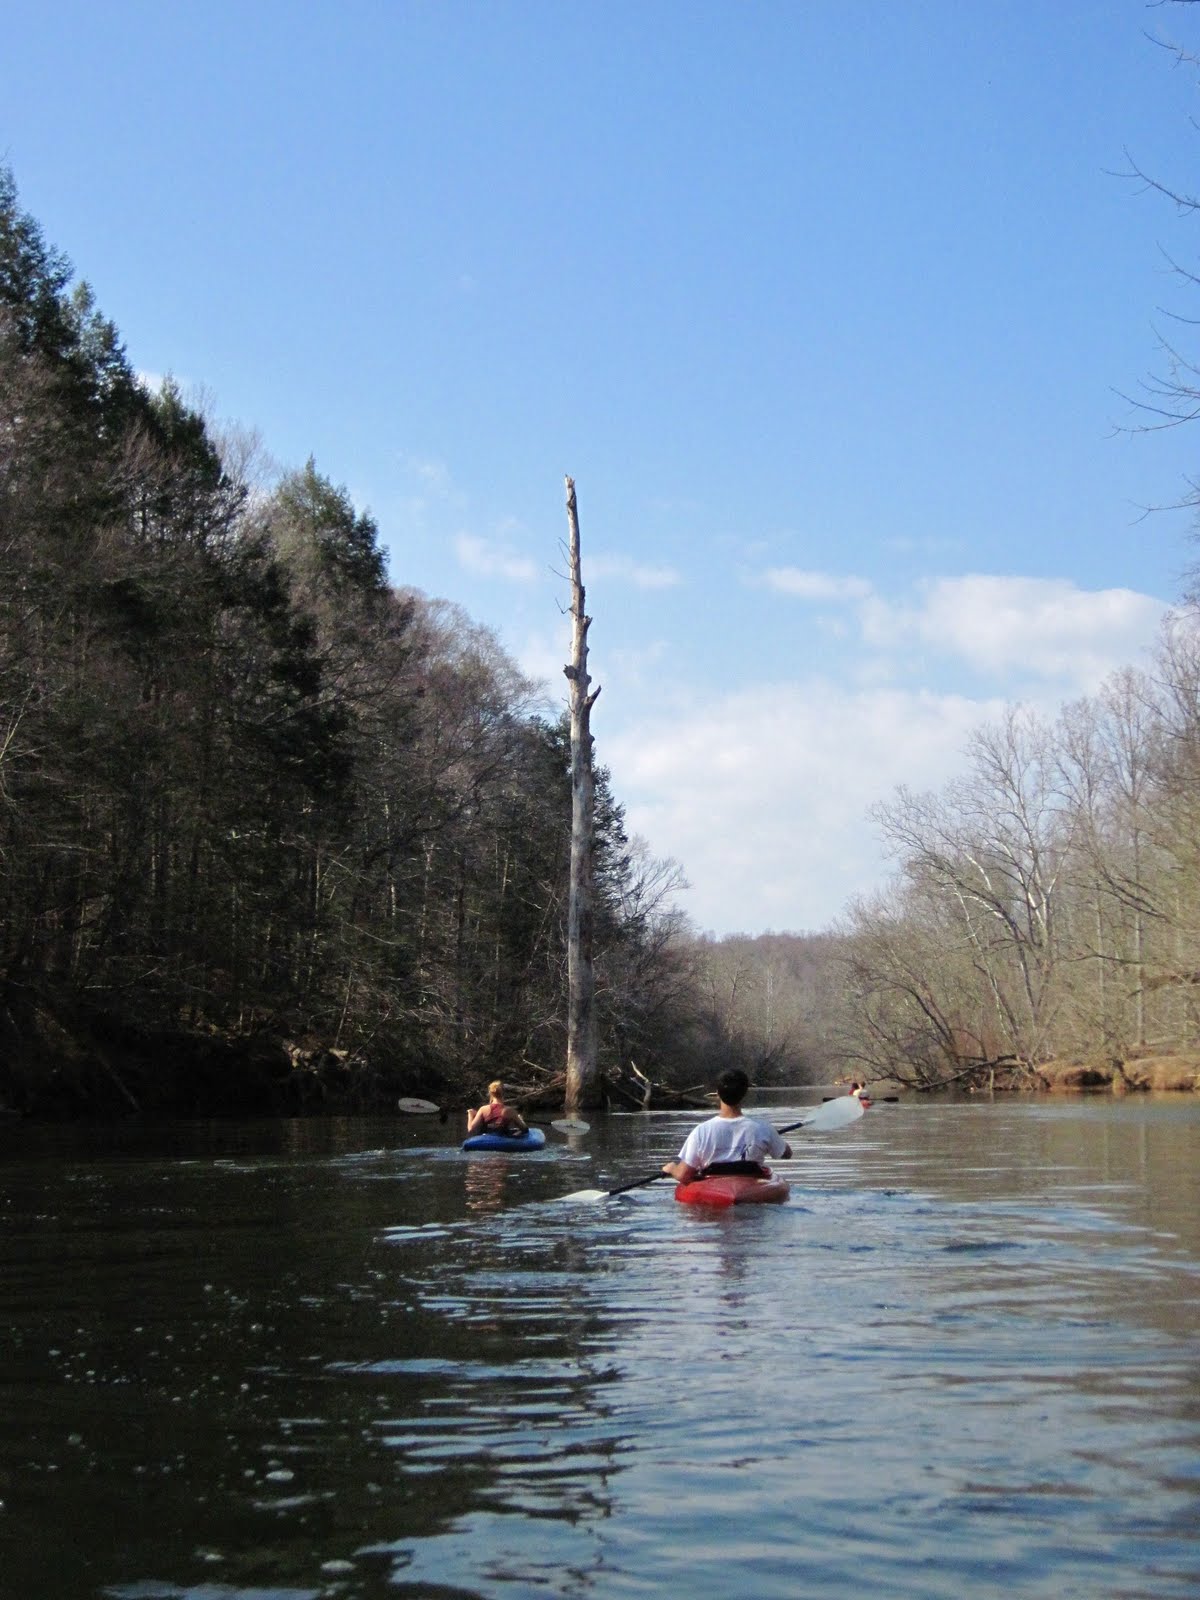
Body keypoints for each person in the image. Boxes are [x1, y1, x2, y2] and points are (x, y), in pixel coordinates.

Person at [661, 1067, 791, 1185]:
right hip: (750, 1186)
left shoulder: (701, 1131)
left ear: (717, 1093)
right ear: (745, 1093)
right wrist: (776, 1140)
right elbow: (786, 1154)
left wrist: (672, 1168)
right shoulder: (763, 1128)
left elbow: (684, 1175)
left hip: (713, 1191)